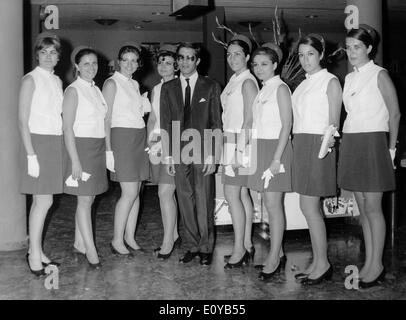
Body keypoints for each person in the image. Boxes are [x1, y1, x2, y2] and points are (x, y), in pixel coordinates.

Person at [338, 25, 400, 288]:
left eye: (357, 47)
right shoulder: (350, 77)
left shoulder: (379, 74)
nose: (352, 52)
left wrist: (391, 149)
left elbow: (395, 114)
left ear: (369, 48)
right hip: (352, 139)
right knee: (362, 208)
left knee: (374, 207)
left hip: (375, 141)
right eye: (349, 47)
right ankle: (369, 262)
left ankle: (377, 263)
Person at [160, 42, 222, 266]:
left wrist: (213, 154)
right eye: (182, 57)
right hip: (177, 151)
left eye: (190, 57)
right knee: (185, 199)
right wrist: (167, 156)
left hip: (203, 149)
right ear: (177, 61)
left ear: (198, 61)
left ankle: (206, 247)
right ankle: (192, 245)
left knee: (203, 198)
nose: (185, 62)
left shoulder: (211, 86)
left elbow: (216, 122)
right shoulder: (168, 88)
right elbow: (165, 123)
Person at [291, 34, 342, 285]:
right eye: (301, 55)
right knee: (306, 207)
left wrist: (325, 145)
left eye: (310, 54)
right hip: (301, 143)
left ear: (321, 55)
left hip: (318, 145)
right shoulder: (302, 84)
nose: (305, 59)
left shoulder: (330, 81)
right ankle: (318, 261)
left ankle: (323, 264)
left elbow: (333, 122)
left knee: (310, 207)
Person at [18, 32, 64, 276]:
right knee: (42, 201)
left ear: (58, 57)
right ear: (37, 54)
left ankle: (37, 249)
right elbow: (22, 121)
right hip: (36, 143)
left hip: (54, 143)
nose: (48, 56)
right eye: (44, 52)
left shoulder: (56, 81)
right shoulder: (30, 79)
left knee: (45, 201)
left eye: (53, 52)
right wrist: (30, 155)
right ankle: (33, 254)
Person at [247, 43, 293, 280]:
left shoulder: (281, 88)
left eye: (264, 64)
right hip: (262, 148)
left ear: (275, 65)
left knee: (274, 207)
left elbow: (287, 124)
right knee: (267, 204)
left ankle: (274, 257)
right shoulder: (263, 89)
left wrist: (276, 159)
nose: (259, 68)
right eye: (255, 64)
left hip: (276, 150)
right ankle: (279, 252)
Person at [103, 43, 151, 256]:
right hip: (121, 138)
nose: (130, 64)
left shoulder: (134, 84)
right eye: (126, 60)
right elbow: (105, 118)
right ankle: (116, 239)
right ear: (118, 61)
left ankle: (130, 236)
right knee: (129, 192)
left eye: (134, 60)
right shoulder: (112, 83)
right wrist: (108, 150)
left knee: (137, 190)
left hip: (138, 137)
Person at [63, 47, 109, 269]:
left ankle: (79, 243)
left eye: (94, 63)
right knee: (84, 200)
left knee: (89, 199)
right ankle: (91, 251)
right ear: (77, 67)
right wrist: (75, 160)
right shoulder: (73, 91)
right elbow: (67, 129)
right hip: (81, 148)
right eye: (86, 64)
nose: (91, 67)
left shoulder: (96, 89)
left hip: (97, 147)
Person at [220, 35, 258, 269]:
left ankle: (239, 250)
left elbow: (250, 119)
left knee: (232, 196)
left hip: (240, 143)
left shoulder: (247, 82)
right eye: (229, 54)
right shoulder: (236, 80)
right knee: (242, 195)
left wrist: (239, 152)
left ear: (247, 57)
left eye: (237, 54)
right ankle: (246, 243)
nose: (232, 58)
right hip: (231, 140)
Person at [146, 44, 181, 259]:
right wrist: (151, 144)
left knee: (164, 193)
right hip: (157, 144)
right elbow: (153, 119)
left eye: (169, 63)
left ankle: (167, 242)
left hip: (175, 145)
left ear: (176, 66)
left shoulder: (180, 87)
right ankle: (174, 233)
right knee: (166, 193)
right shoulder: (156, 88)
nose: (164, 66)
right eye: (161, 62)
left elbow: (178, 122)